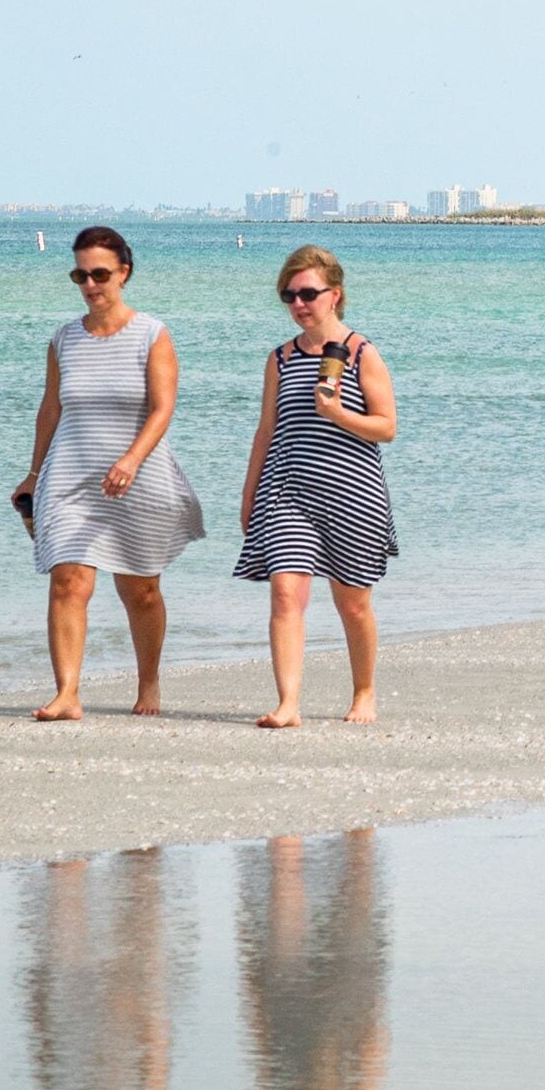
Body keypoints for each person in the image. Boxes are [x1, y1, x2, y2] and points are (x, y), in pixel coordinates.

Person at [16, 227, 204, 722]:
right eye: (81, 274)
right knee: (68, 580)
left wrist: (131, 460)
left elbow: (163, 409)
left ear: (124, 272)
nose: (90, 284)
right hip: (71, 475)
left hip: (138, 476)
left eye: (100, 274)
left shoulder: (151, 334)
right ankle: (68, 694)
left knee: (139, 590)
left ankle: (148, 681)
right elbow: (50, 408)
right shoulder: (63, 338)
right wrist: (34, 473)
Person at [237, 246, 398, 729]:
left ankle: (364, 690)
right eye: (289, 295)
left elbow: (386, 427)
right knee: (286, 592)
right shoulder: (281, 359)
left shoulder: (362, 353)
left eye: (308, 293)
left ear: (335, 295)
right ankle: (288, 704)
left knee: (352, 602)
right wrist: (249, 494)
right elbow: (267, 430)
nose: (299, 304)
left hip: (353, 493)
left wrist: (337, 413)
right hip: (288, 492)